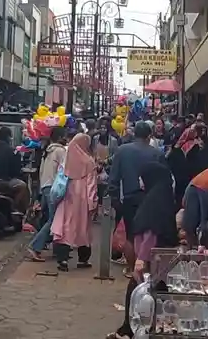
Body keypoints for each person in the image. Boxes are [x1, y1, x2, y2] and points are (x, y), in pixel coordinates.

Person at [109, 162, 178, 339]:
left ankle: (134, 330)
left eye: (142, 177)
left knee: (139, 291)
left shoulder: (156, 201)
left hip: (152, 261)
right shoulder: (159, 196)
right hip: (154, 260)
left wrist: (141, 258)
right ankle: (133, 329)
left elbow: (152, 231)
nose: (139, 181)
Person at [107, 121, 165, 267]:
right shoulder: (156, 153)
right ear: (149, 135)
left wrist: (114, 199)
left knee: (130, 235)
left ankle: (131, 267)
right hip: (150, 199)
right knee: (148, 234)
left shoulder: (122, 151)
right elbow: (164, 179)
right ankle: (144, 266)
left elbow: (114, 177)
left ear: (134, 133)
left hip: (128, 198)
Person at [52, 133, 98, 272]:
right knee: (83, 229)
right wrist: (93, 204)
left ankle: (63, 259)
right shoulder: (89, 162)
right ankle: (83, 259)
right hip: (82, 201)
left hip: (66, 199)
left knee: (64, 228)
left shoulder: (66, 160)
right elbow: (91, 185)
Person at [26, 127, 68, 262]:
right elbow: (64, 172)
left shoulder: (48, 150)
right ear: (61, 137)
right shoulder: (61, 151)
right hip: (54, 188)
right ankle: (35, 246)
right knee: (54, 220)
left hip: (45, 186)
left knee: (48, 218)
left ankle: (56, 248)